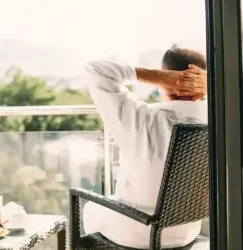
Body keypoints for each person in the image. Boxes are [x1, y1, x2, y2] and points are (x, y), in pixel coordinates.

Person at [83, 45, 207, 249]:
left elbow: (96, 70)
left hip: (139, 233)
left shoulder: (143, 120)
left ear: (165, 80)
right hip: (187, 231)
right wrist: (212, 82)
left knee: (91, 208)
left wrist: (158, 77)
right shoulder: (220, 120)